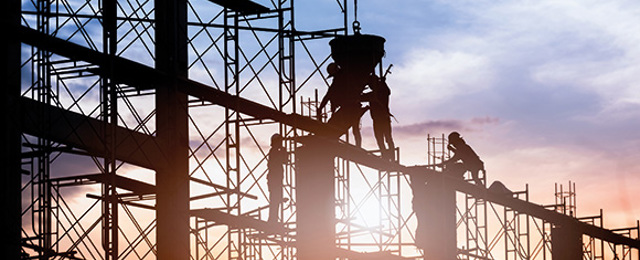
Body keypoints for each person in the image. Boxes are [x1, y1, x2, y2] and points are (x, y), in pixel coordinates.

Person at [319, 63, 364, 147]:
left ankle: (358, 147)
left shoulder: (341, 80)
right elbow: (329, 95)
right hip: (349, 107)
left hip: (351, 107)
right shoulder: (343, 79)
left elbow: (328, 95)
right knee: (353, 128)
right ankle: (358, 147)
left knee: (351, 128)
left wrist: (320, 108)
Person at [363, 74, 395, 160]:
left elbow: (387, 92)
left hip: (382, 119)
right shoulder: (374, 94)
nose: (370, 86)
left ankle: (390, 157)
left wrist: (383, 83)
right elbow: (361, 97)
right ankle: (386, 157)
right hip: (378, 120)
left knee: (386, 139)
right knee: (381, 140)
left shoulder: (382, 92)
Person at [267, 134, 287, 223]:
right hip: (274, 179)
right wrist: (283, 152)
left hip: (277, 179)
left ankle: (273, 219)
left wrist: (284, 152)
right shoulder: (273, 151)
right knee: (275, 199)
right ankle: (272, 219)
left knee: (276, 199)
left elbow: (285, 161)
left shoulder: (276, 151)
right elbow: (281, 161)